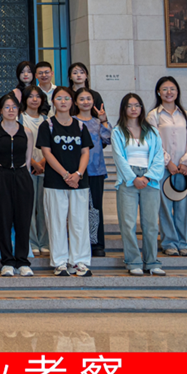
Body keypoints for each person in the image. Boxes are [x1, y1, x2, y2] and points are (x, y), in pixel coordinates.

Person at [37, 87, 93, 277]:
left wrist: (77, 174)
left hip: (79, 182)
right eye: (59, 98)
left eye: (67, 98)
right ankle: (60, 262)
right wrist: (65, 175)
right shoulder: (47, 125)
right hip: (55, 181)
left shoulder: (80, 126)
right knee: (57, 222)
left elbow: (85, 152)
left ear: (72, 101)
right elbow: (47, 153)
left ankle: (79, 262)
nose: (63, 101)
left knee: (79, 223)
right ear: (53, 101)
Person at [112, 94, 166, 276]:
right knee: (128, 223)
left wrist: (148, 177)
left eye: (137, 105)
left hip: (149, 179)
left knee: (150, 223)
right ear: (124, 109)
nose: (134, 109)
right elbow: (119, 158)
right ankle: (133, 261)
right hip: (127, 179)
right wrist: (133, 178)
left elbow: (158, 156)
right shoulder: (118, 131)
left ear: (142, 108)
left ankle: (152, 262)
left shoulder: (152, 131)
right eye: (129, 106)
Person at [147, 76, 187, 257]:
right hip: (163, 168)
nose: (169, 92)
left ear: (177, 92)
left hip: (184, 170)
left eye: (172, 89)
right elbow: (153, 142)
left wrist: (186, 162)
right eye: (165, 89)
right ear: (158, 92)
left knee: (184, 207)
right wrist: (167, 162)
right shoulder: (153, 115)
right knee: (165, 206)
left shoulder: (186, 115)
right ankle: (169, 242)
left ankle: (183, 242)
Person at [0, 93, 35, 277]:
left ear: (19, 110)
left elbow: (29, 159)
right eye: (7, 107)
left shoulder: (27, 132)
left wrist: (23, 173)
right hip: (2, 176)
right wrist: (0, 173)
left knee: (23, 219)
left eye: (14, 107)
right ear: (0, 110)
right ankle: (7, 261)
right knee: (3, 219)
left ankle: (22, 261)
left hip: (22, 176)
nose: (11, 110)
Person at [74, 87, 111, 257]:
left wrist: (104, 121)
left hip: (96, 170)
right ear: (76, 102)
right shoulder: (72, 121)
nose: (85, 102)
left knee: (95, 208)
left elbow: (108, 140)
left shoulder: (98, 122)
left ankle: (96, 244)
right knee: (77, 209)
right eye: (81, 99)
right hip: (77, 171)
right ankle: (79, 243)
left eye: (88, 99)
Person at [20, 86, 50, 255]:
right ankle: (32, 242)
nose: (34, 99)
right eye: (30, 96)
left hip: (46, 167)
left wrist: (42, 162)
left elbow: (51, 144)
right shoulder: (20, 119)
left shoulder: (47, 120)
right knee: (29, 207)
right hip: (27, 169)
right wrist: (33, 163)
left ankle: (44, 242)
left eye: (37, 96)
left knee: (44, 207)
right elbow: (20, 144)